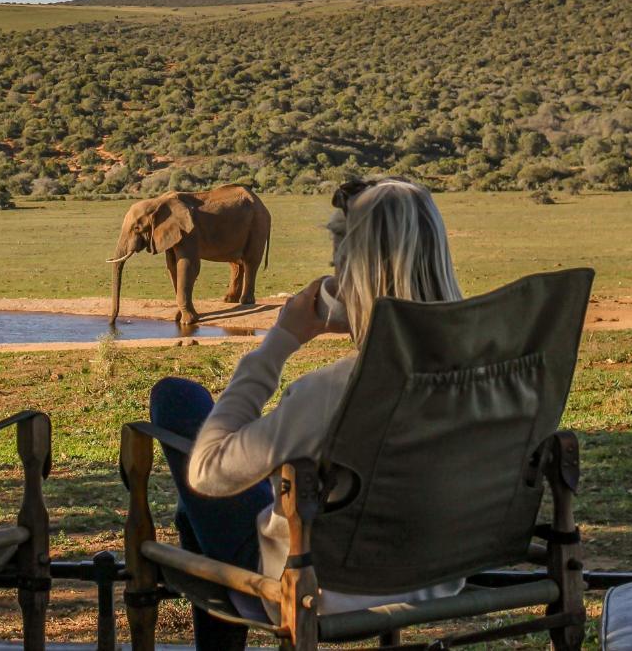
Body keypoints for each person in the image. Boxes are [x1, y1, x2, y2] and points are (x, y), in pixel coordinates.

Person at [149, 177, 465, 650]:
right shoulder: (482, 374)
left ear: (350, 272)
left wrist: (280, 341)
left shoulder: (336, 390)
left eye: (338, 258)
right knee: (193, 517)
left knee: (177, 399)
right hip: (436, 572)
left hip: (315, 586)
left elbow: (207, 472)